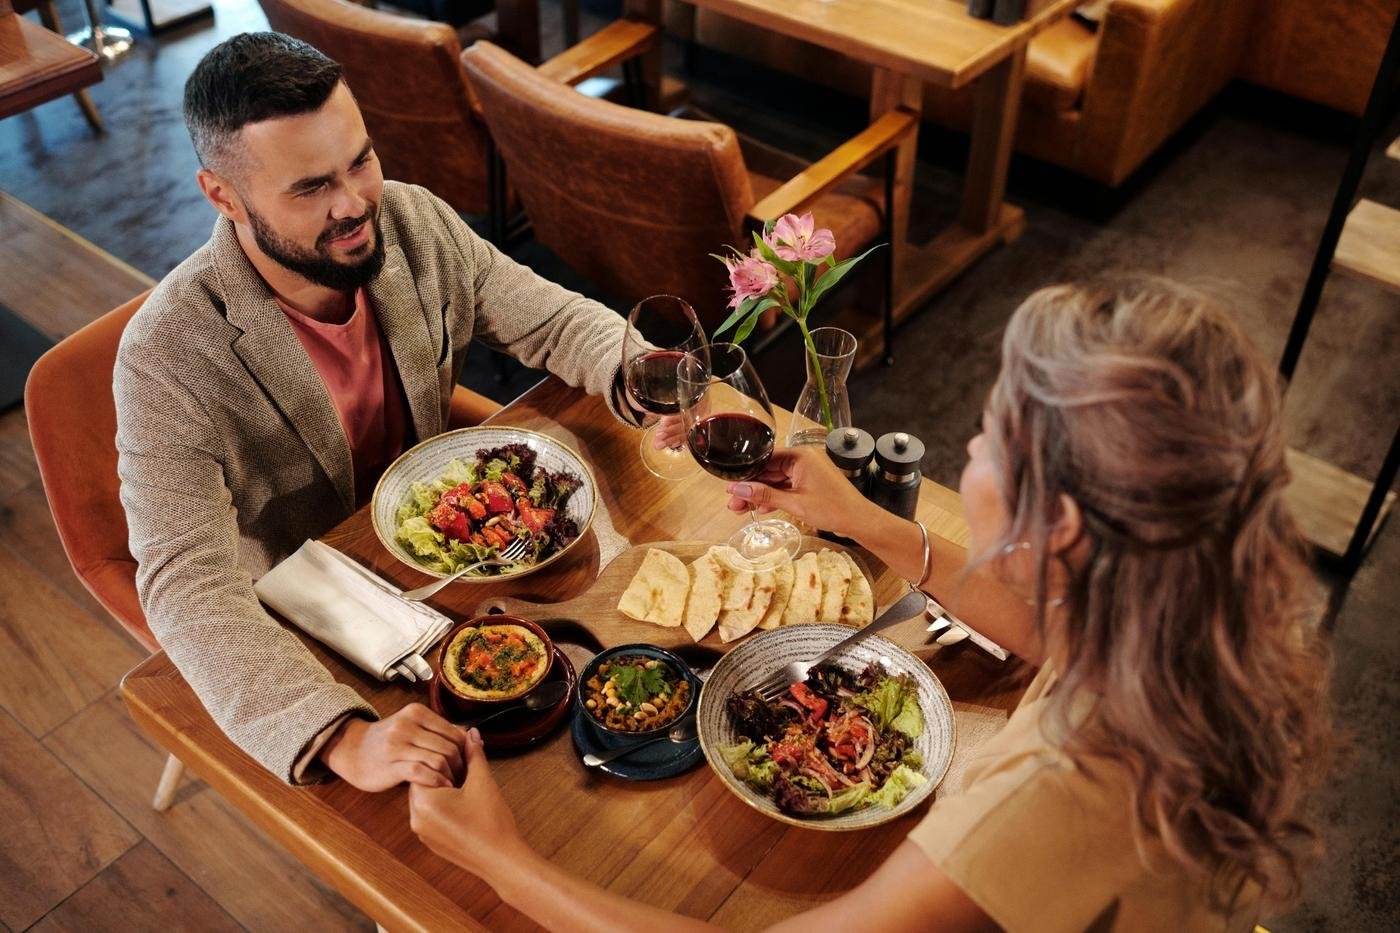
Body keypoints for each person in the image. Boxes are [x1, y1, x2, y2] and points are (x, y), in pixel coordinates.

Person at [408, 278, 1333, 931]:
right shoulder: (1196, 623)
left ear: (1060, 524)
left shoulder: (1054, 793)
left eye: (992, 432)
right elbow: (1060, 635)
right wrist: (867, 523)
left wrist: (499, 857)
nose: (971, 441)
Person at [114, 32, 646, 790]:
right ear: (222, 195)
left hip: (458, 573)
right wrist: (339, 738)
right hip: (310, 622)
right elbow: (184, 580)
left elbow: (556, 322)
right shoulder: (166, 354)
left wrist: (645, 372)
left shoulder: (412, 220)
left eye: (359, 159)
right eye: (309, 188)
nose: (355, 203)